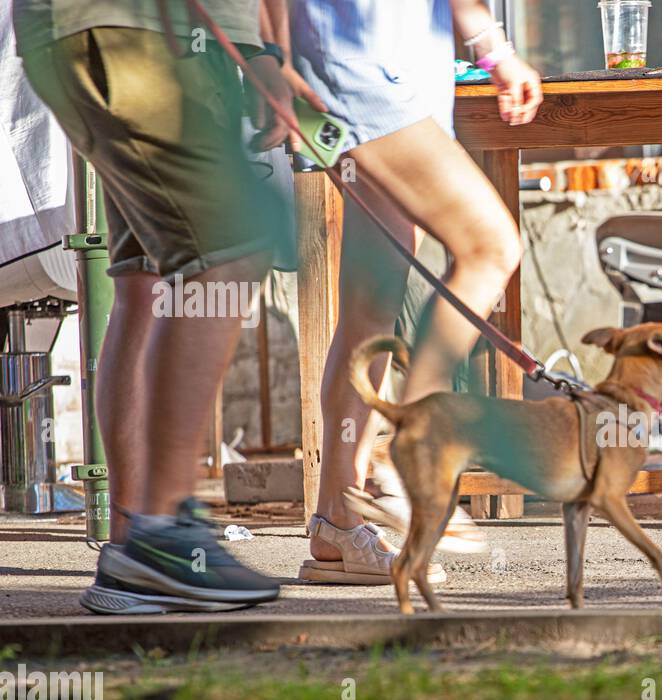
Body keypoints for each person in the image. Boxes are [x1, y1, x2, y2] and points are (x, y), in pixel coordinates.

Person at [14, 0, 294, 612]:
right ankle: (163, 539)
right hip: (131, 35)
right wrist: (259, 53)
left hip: (110, 33)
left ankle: (131, 549)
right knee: (231, 250)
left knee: (144, 281)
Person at [263, 0, 542, 584]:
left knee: (371, 307)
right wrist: (274, 57)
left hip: (373, 72)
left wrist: (495, 52)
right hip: (365, 76)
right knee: (490, 246)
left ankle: (338, 521)